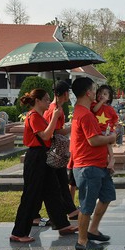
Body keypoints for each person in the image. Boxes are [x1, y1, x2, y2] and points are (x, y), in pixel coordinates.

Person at [9, 89, 78, 243]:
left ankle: (62, 225)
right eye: (46, 99)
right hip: (36, 158)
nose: (49, 102)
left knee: (53, 191)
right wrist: (54, 117)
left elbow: (50, 135)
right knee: (30, 196)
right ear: (38, 101)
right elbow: (46, 135)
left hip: (43, 156)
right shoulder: (33, 116)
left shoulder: (39, 116)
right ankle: (18, 232)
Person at [70, 77, 117, 250]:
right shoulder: (85, 114)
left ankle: (93, 230)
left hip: (98, 164)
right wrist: (111, 138)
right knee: (87, 205)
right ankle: (82, 241)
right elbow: (93, 140)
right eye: (94, 89)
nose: (96, 92)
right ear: (88, 92)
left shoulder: (84, 111)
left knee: (107, 196)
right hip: (88, 165)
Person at [43, 81, 78, 220]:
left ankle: (70, 209)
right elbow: (56, 131)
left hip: (55, 149)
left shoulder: (57, 108)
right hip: (55, 150)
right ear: (65, 93)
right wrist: (73, 126)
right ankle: (69, 210)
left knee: (62, 181)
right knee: (61, 181)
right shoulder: (54, 109)